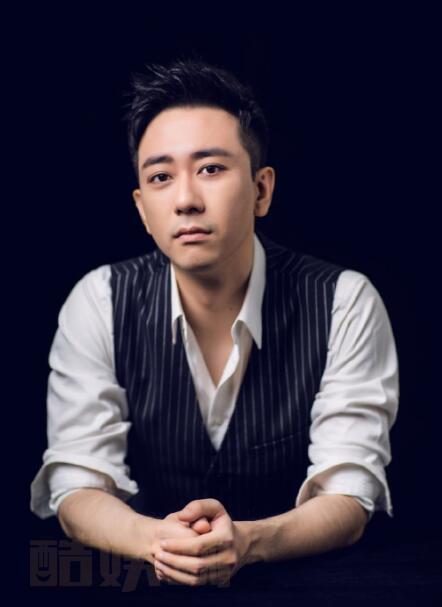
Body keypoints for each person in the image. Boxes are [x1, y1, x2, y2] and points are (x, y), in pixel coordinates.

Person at [30, 58, 399, 587]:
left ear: (262, 189)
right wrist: (157, 541)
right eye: (160, 177)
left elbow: (349, 494)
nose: (185, 200)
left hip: (303, 587)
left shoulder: (343, 301)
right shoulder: (99, 300)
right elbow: (75, 483)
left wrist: (249, 542)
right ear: (142, 208)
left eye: (210, 169)